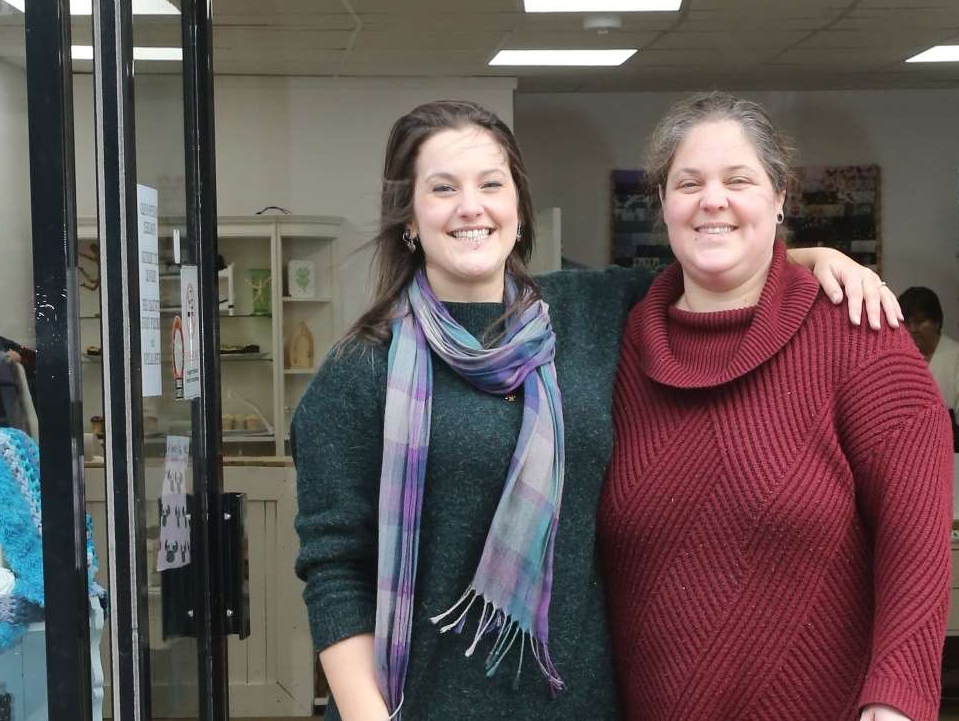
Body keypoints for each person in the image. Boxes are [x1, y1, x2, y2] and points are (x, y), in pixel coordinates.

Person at [290, 100, 900, 721]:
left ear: (518, 209)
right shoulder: (360, 372)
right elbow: (335, 568)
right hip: (420, 705)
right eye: (443, 188)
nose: (470, 206)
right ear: (410, 219)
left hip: (579, 702)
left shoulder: (587, 314)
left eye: (490, 185)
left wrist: (820, 257)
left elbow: (714, 264)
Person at [599, 91, 953, 721]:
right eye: (689, 182)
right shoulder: (614, 347)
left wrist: (896, 700)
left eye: (739, 179)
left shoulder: (859, 331)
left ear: (781, 196)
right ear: (662, 202)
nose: (713, 200)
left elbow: (917, 546)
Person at [900, 285, 959, 440]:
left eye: (920, 321)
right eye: (907, 322)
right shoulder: (897, 359)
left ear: (937, 322)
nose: (913, 329)